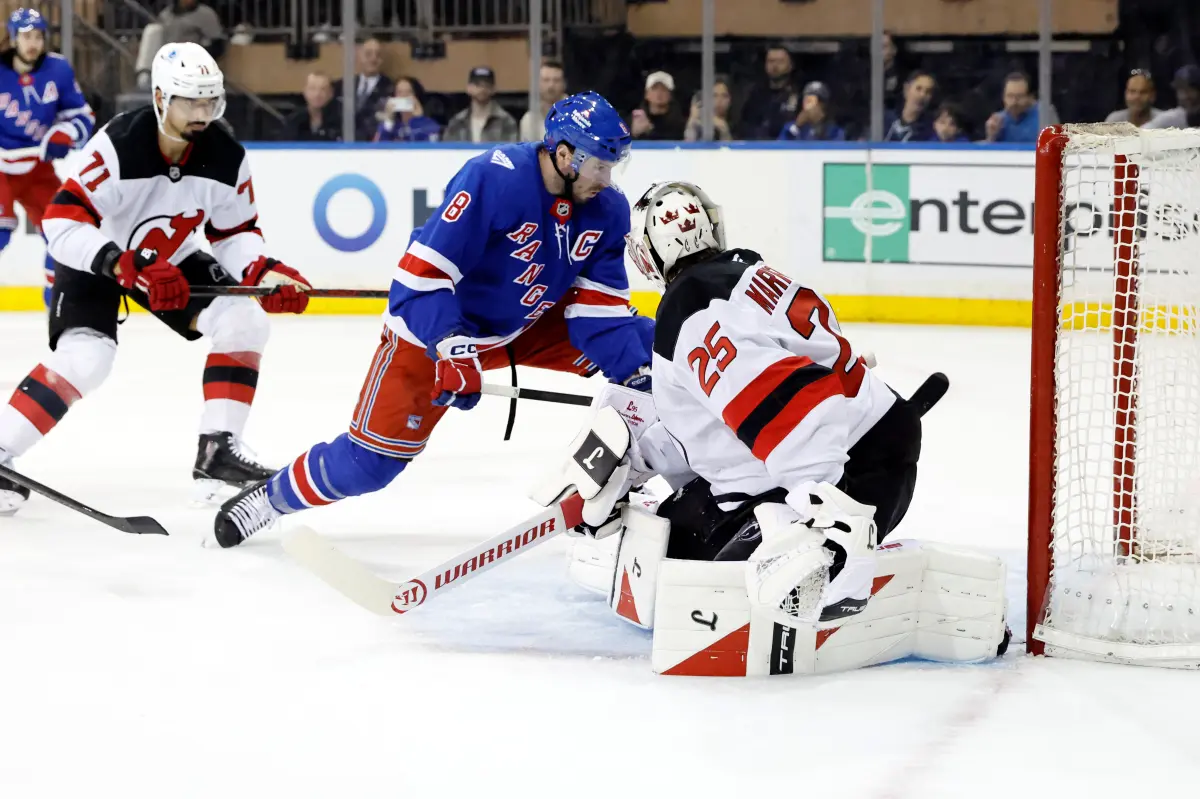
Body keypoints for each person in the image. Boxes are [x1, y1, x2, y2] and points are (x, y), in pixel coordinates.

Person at [530, 181, 1009, 672]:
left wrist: (823, 512)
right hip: (850, 449)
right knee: (675, 546)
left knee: (720, 595)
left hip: (845, 477)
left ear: (649, 254)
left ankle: (865, 573)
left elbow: (798, 405)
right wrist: (632, 463)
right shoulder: (747, 276)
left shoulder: (690, 310)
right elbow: (707, 425)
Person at [212, 91, 655, 547]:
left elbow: (599, 313)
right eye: (599, 166)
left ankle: (664, 480)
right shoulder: (495, 178)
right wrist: (452, 347)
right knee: (369, 464)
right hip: (434, 331)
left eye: (612, 166)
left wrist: (636, 373)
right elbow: (421, 281)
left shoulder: (608, 209)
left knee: (656, 350)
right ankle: (270, 499)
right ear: (564, 155)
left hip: (522, 326)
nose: (607, 179)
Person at [0, 42, 314, 515]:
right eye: (191, 102)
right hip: (97, 256)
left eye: (210, 101)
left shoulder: (226, 156)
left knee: (244, 322)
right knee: (88, 358)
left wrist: (262, 271)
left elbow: (236, 232)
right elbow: (62, 221)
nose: (202, 114)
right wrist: (117, 262)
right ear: (161, 98)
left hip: (170, 259)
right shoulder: (119, 144)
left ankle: (218, 456)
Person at [0, 8, 95, 307]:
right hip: (0, 169)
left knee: (64, 228)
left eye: (39, 36)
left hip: (37, 169)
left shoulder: (58, 70)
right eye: (27, 36)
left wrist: (65, 133)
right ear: (13, 38)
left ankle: (59, 302)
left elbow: (82, 116)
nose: (33, 43)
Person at [332, 37, 394, 142]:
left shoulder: (390, 88)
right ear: (360, 56)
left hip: (373, 145)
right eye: (368, 54)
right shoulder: (342, 85)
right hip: (342, 143)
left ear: (382, 60)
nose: (373, 59)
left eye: (378, 55)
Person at [739, 44, 800, 140]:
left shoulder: (798, 94)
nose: (775, 66)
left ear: (790, 66)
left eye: (780, 61)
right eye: (771, 61)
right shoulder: (755, 95)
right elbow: (746, 124)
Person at [443, 66, 519, 143]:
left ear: (493, 89)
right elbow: (447, 149)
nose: (482, 89)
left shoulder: (506, 121)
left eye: (487, 85)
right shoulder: (457, 122)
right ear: (468, 88)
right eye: (477, 84)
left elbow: (510, 149)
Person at [984, 72, 1047, 143]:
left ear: (1030, 97)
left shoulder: (1044, 116)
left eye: (1019, 96)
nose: (1014, 102)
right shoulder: (998, 122)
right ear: (1003, 97)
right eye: (1010, 96)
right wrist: (991, 137)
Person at [373, 76, 440, 143]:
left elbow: (428, 146)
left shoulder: (430, 125)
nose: (404, 96)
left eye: (409, 92)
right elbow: (379, 147)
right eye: (399, 92)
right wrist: (389, 121)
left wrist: (418, 119)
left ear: (417, 96)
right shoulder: (388, 125)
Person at [280, 71, 341, 142]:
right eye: (312, 89)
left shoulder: (342, 120)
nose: (317, 94)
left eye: (323, 89)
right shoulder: (294, 120)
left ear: (331, 93)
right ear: (304, 92)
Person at [778, 81, 845, 141]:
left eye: (814, 101)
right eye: (807, 100)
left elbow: (836, 148)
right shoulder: (790, 127)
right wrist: (797, 126)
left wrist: (818, 125)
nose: (810, 106)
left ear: (823, 105)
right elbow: (780, 147)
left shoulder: (834, 130)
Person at [629, 71, 686, 141]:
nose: (659, 93)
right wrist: (634, 134)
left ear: (670, 95)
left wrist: (650, 132)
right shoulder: (635, 120)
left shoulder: (680, 123)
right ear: (646, 94)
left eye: (664, 89)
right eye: (654, 88)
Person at [519, 60, 567, 142]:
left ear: (564, 84)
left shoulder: (577, 116)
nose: (551, 85)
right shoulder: (528, 120)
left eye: (556, 80)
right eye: (546, 80)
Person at [883, 70, 936, 142]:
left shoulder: (929, 131)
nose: (922, 95)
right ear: (906, 89)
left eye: (928, 92)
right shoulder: (885, 119)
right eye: (918, 89)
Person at [683, 76, 735, 142]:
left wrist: (724, 131)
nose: (719, 100)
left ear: (729, 100)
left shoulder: (737, 127)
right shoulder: (699, 125)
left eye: (724, 96)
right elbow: (687, 146)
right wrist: (691, 123)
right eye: (715, 95)